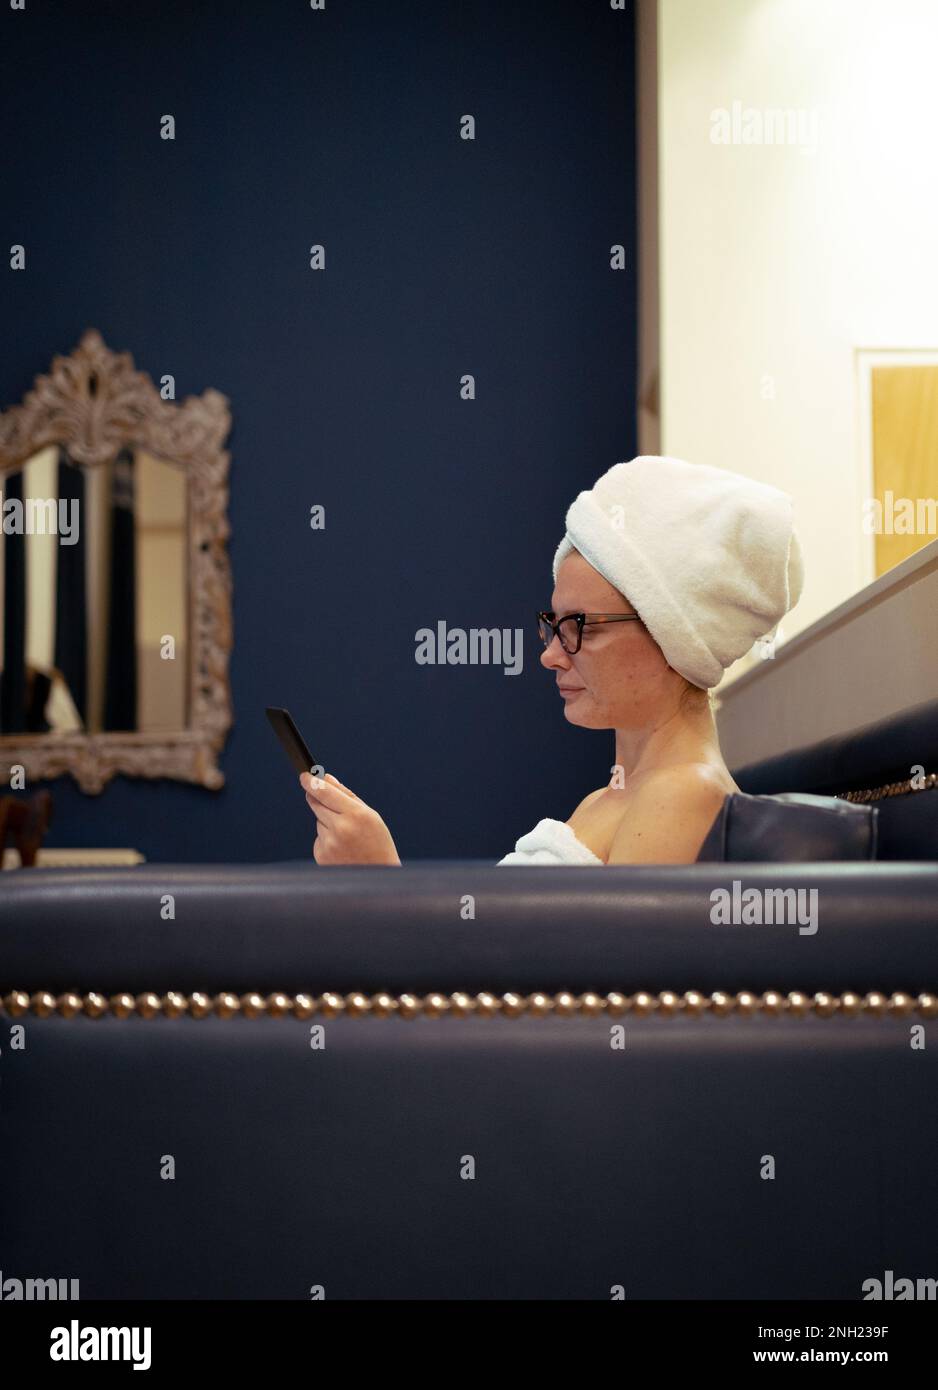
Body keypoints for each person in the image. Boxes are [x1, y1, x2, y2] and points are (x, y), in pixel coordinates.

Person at [299, 454, 803, 866]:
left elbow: (598, 987)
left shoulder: (680, 795)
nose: (549, 655)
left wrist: (384, 882)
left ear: (673, 637)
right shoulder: (608, 800)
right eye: (553, 624)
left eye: (579, 626)